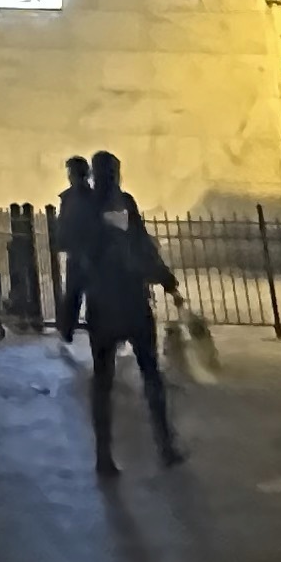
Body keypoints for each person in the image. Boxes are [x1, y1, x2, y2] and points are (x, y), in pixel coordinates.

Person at [67, 151, 186, 476]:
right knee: (136, 376)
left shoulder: (98, 207)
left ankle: (119, 451)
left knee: (116, 378)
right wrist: (166, 281)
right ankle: (155, 446)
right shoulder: (102, 207)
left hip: (112, 303)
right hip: (121, 302)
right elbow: (140, 249)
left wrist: (164, 278)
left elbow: (82, 261)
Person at [51, 155, 96, 337]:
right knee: (76, 293)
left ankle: (70, 330)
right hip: (83, 253)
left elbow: (66, 224)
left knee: (79, 293)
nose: (70, 176)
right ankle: (69, 329)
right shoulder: (75, 197)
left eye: (72, 172)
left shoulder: (79, 198)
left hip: (87, 253)